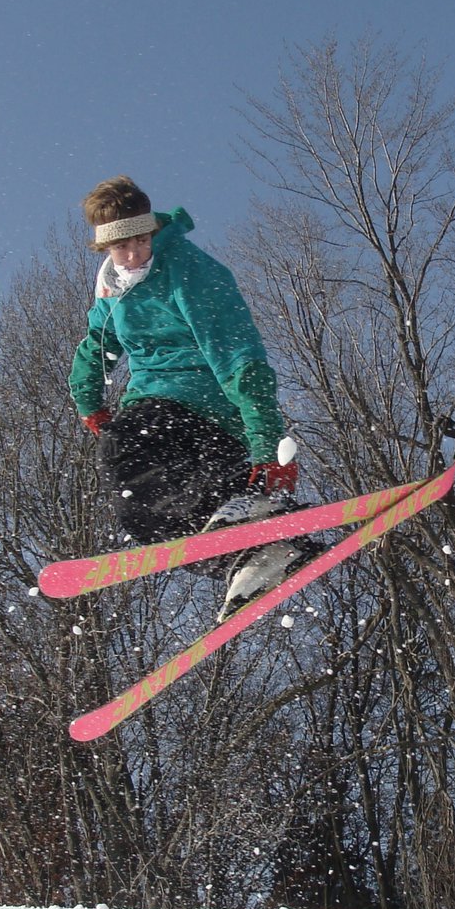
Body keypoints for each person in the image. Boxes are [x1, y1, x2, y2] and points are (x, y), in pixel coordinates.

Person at [69, 175, 309, 616]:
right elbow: (97, 344)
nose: (134, 254)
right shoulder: (113, 288)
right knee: (139, 514)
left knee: (127, 447)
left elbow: (240, 356)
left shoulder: (190, 271)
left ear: (153, 230)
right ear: (104, 249)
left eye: (142, 241)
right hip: (155, 401)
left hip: (210, 403)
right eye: (121, 248)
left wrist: (266, 443)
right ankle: (251, 555)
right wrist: (89, 402)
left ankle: (249, 506)